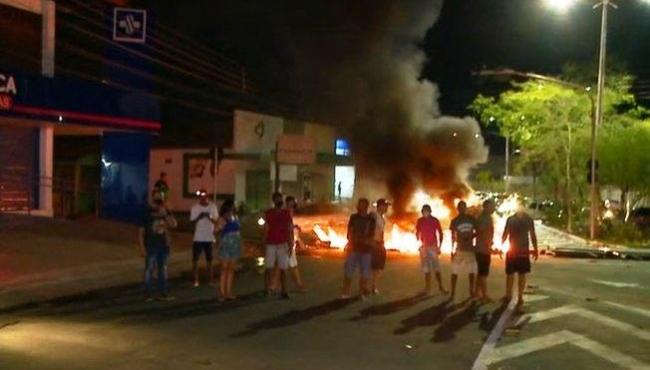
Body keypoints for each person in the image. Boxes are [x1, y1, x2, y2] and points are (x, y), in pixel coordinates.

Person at [138, 191, 177, 301]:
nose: (160, 199)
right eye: (158, 197)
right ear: (153, 197)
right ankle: (148, 294)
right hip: (151, 245)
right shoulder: (146, 211)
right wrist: (142, 247)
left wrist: (166, 214)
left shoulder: (165, 211)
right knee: (149, 269)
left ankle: (163, 293)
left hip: (163, 245)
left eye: (161, 197)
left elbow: (174, 224)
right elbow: (141, 231)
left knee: (163, 269)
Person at [501, 202, 538, 310]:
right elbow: (532, 235)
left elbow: (505, 233)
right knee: (520, 275)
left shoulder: (511, 219)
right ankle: (518, 296)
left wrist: (501, 244)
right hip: (522, 251)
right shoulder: (528, 219)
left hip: (513, 251)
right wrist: (535, 249)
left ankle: (509, 295)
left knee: (511, 274)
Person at [341, 198, 375, 299]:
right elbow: (350, 231)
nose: (358, 206)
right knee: (348, 272)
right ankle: (346, 292)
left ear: (366, 206)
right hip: (354, 249)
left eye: (361, 205)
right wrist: (350, 243)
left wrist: (367, 241)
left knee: (364, 274)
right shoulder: (354, 217)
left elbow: (371, 235)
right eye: (358, 204)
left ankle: (361, 292)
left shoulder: (371, 219)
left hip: (366, 250)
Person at [264, 192, 294, 299]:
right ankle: (267, 289)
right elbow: (266, 228)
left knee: (283, 268)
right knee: (269, 267)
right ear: (274, 201)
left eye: (280, 199)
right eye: (277, 199)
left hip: (282, 243)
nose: (279, 201)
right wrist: (264, 243)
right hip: (271, 243)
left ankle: (284, 291)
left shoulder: (286, 213)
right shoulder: (269, 213)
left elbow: (290, 228)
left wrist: (291, 243)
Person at [416, 204, 448, 295]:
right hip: (424, 247)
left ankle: (441, 286)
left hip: (433, 247)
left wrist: (439, 247)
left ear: (430, 212)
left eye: (426, 211)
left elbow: (440, 233)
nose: (424, 213)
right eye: (423, 211)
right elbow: (417, 233)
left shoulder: (434, 220)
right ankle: (428, 288)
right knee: (426, 269)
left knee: (436, 268)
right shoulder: (420, 221)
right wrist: (419, 245)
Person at [189, 188, 218, 287]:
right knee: (195, 260)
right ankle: (195, 280)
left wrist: (209, 217)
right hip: (198, 238)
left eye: (204, 196)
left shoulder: (213, 207)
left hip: (209, 237)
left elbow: (217, 222)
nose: (203, 198)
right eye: (201, 196)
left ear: (207, 196)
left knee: (210, 260)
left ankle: (211, 279)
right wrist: (199, 217)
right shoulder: (195, 208)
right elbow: (191, 222)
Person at [449, 200, 478, 300]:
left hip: (470, 249)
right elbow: (452, 236)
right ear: (458, 209)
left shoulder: (472, 219)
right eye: (460, 207)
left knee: (471, 272)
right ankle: (453, 291)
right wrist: (452, 250)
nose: (462, 209)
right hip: (459, 250)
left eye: (463, 207)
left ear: (466, 208)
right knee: (454, 272)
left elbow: (478, 232)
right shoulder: (454, 221)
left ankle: (471, 291)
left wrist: (471, 238)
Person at [216, 199, 241, 302]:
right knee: (224, 268)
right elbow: (216, 230)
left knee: (231, 269)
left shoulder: (236, 217)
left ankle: (228, 292)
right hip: (226, 243)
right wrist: (221, 226)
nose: (233, 208)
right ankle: (222, 293)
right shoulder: (222, 218)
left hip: (234, 244)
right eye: (232, 206)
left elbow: (239, 230)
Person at [475, 199, 496, 303]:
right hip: (483, 249)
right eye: (492, 206)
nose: (494, 208)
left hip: (482, 248)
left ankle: (476, 292)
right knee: (483, 273)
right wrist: (488, 245)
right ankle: (484, 296)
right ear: (487, 207)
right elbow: (482, 233)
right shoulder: (484, 219)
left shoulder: (486, 218)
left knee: (480, 272)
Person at [285, 196, 307, 292]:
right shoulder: (286, 213)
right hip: (287, 243)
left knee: (290, 265)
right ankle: (299, 285)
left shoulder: (289, 213)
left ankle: (272, 286)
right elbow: (287, 228)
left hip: (288, 243)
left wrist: (295, 227)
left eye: (293, 204)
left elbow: (289, 227)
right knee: (291, 265)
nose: (293, 206)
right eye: (291, 204)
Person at [370, 198, 389, 295]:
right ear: (380, 206)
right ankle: (369, 287)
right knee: (372, 266)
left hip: (379, 244)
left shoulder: (382, 218)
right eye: (385, 206)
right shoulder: (374, 216)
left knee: (378, 267)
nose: (387, 208)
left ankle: (374, 286)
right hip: (374, 244)